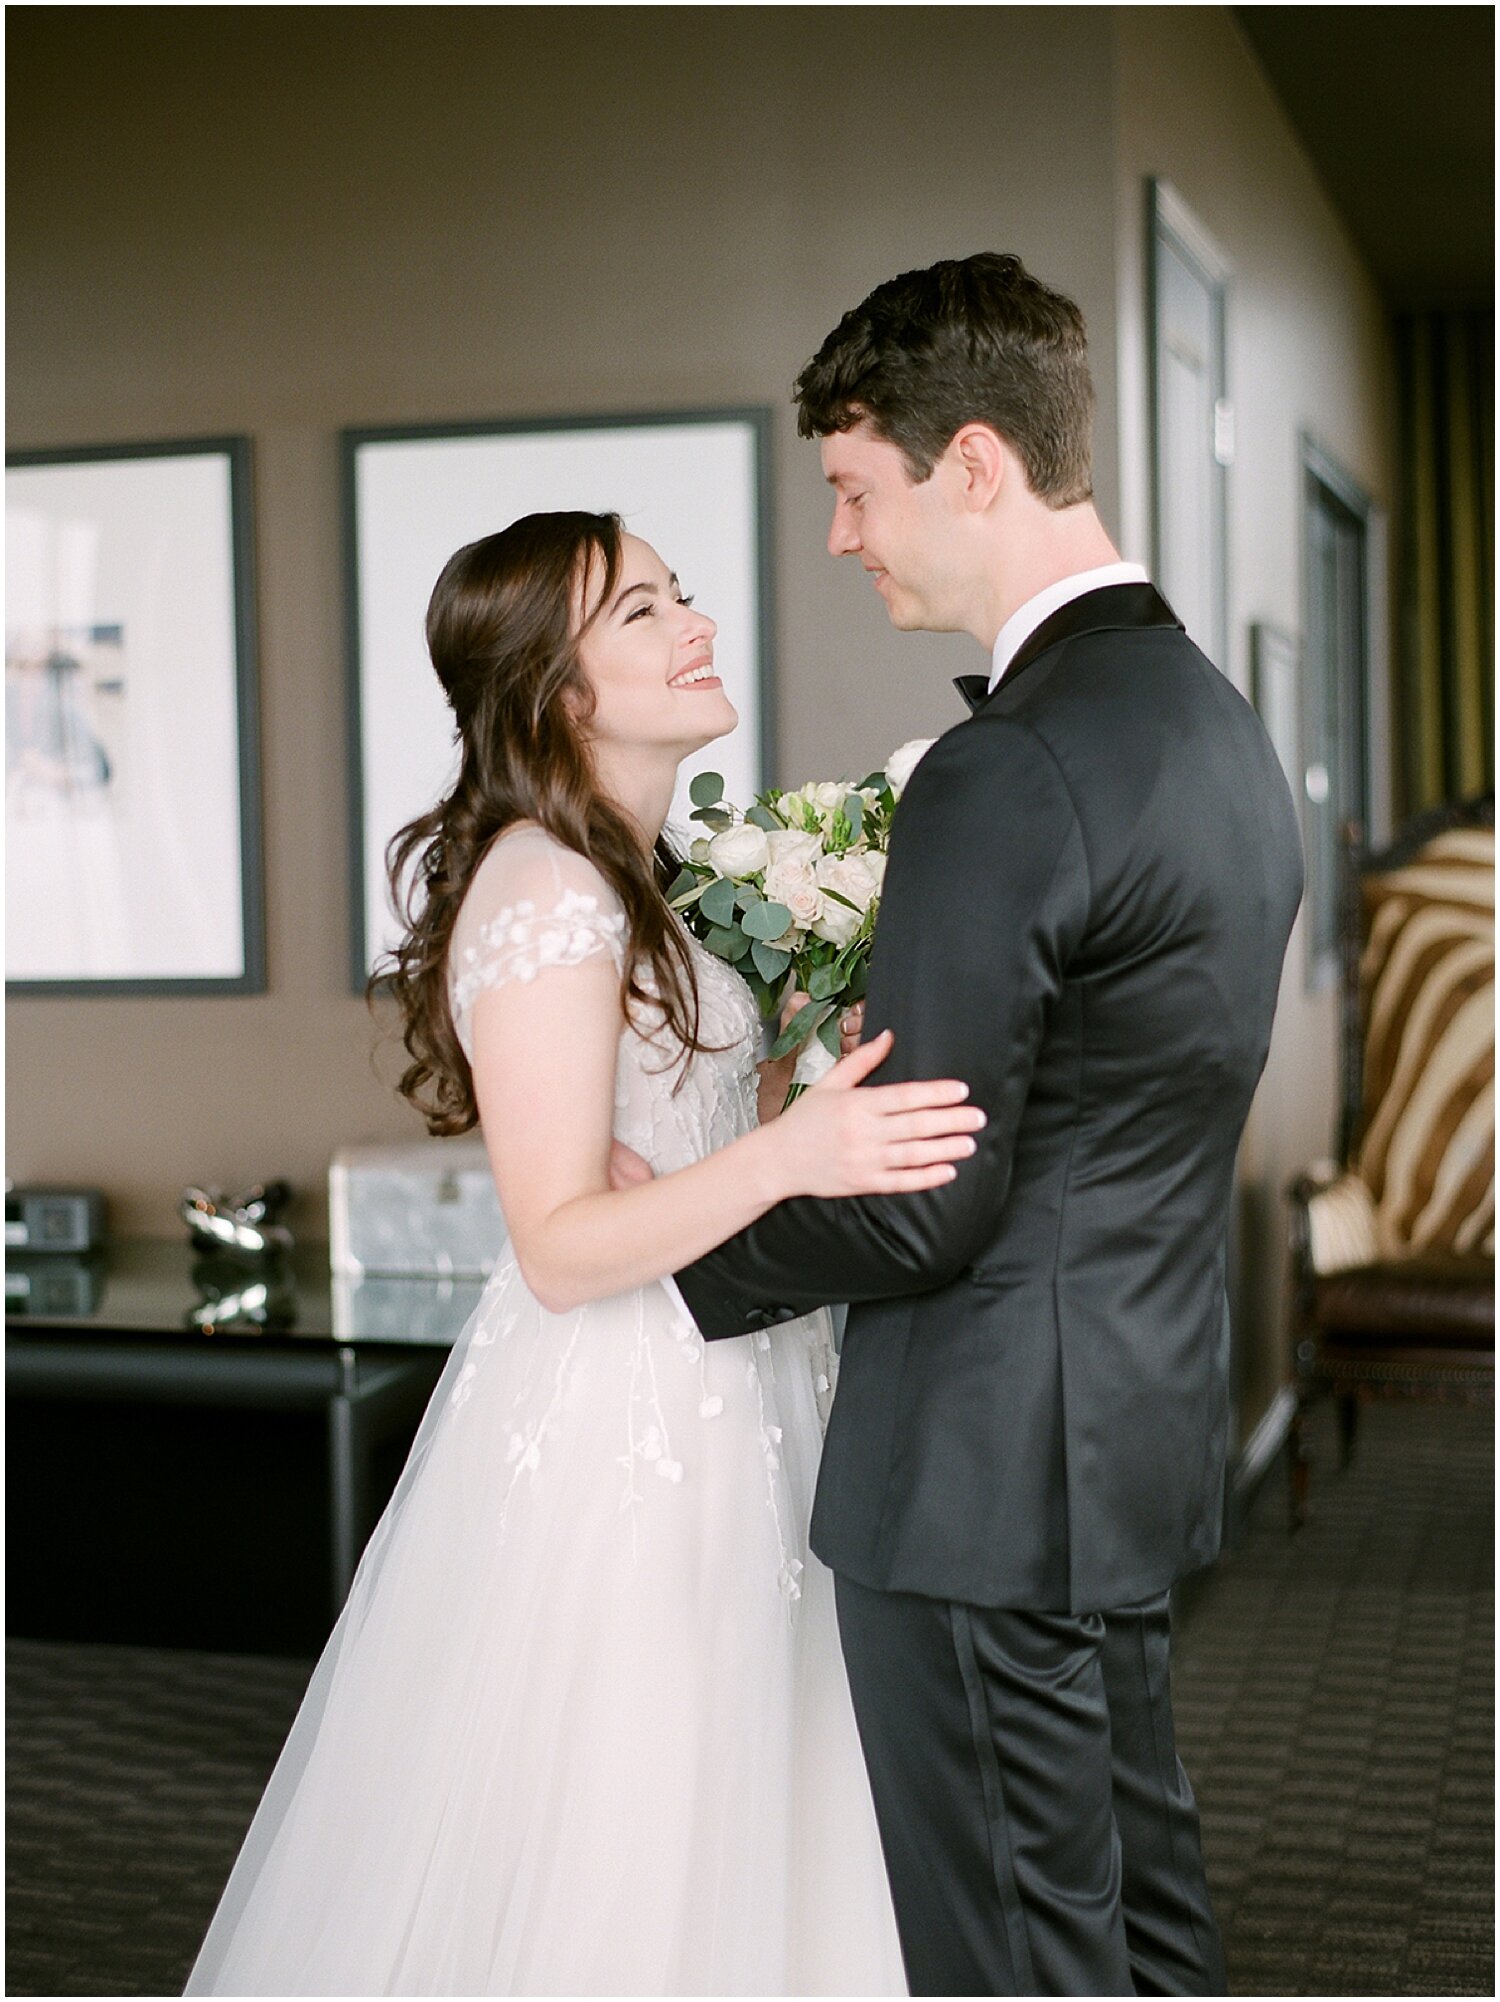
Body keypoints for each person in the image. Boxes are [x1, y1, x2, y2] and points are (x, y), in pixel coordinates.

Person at [184, 511, 989, 1995]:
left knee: (761, 1789)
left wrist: (777, 1097)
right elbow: (558, 1243)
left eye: (678, 592)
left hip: (726, 1376)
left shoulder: (640, 877)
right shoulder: (547, 888)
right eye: (641, 610)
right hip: (623, 1419)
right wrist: (787, 1153)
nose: (693, 621)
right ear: (560, 691)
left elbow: (669, 1148)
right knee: (635, 1815)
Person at [666, 253, 1306, 1996]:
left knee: (1017, 1962)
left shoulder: (1012, 764)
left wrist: (666, 1253)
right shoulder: (1217, 733)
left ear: (971, 462)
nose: (839, 538)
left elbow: (920, 1199)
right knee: (1136, 1930)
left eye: (853, 489)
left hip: (974, 1487)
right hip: (1125, 1445)